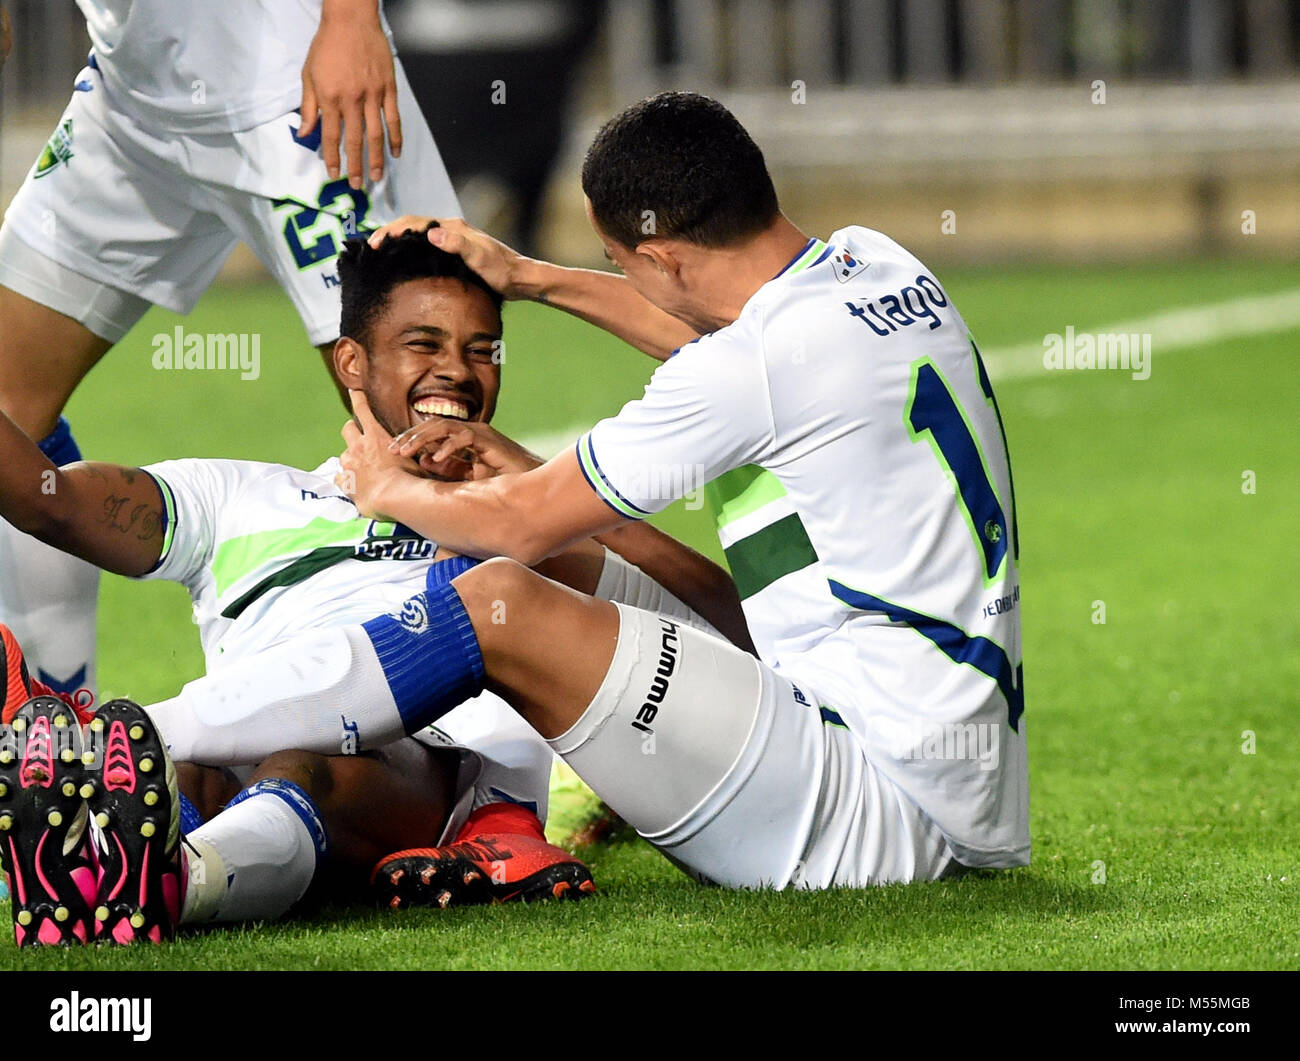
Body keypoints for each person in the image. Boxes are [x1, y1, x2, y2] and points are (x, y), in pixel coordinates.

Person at [165, 90, 1025, 891]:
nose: (623, 278)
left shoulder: (741, 369)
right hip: (957, 776)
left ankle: (150, 733)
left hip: (873, 808)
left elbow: (525, 524)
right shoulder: (876, 265)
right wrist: (531, 278)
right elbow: (721, 327)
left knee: (495, 594)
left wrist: (385, 485)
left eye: (621, 263)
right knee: (568, 574)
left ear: (659, 256)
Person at [0, 232, 743, 945]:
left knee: (302, 762)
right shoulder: (235, 495)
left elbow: (725, 628)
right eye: (425, 343)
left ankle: (164, 885)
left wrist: (531, 479)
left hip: (420, 773)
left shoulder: (526, 532)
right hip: (229, 742)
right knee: (182, 772)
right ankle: (94, 864)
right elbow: (48, 501)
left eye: (482, 349)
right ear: (352, 362)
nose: (459, 369)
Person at [0, 0, 459, 705]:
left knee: (421, 427)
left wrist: (349, 20)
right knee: (6, 414)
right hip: (130, 101)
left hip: (292, 85)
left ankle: (492, 758)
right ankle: (55, 733)